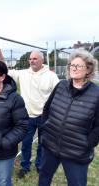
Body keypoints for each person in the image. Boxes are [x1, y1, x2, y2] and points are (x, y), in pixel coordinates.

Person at [0, 48, 59, 178]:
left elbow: (58, 93)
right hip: (27, 116)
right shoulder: (23, 73)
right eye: (30, 59)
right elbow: (5, 70)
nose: (31, 61)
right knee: (26, 144)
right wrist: (1, 55)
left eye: (35, 58)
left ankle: (40, 166)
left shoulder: (51, 76)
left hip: (45, 117)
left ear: (42, 60)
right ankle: (25, 166)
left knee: (43, 144)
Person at [39, 49, 99, 186]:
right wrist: (45, 129)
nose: (74, 68)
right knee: (44, 177)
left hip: (76, 151)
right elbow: (47, 109)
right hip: (51, 145)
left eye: (78, 66)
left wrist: (88, 143)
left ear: (88, 70)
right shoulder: (61, 86)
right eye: (72, 65)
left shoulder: (96, 94)